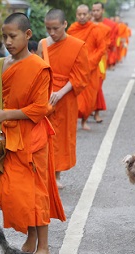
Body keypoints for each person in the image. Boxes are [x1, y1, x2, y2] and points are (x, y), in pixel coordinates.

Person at [0, 12, 66, 254]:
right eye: (4, 37)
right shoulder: (2, 64)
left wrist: (5, 114)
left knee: (37, 191)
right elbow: (2, 99)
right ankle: (30, 237)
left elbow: (40, 108)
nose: (8, 41)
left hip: (33, 136)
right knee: (12, 192)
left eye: (13, 36)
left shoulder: (39, 67)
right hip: (9, 135)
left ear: (28, 35)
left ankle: (43, 246)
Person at [37, 8, 89, 189]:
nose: (52, 33)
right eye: (48, 28)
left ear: (65, 24)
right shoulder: (43, 44)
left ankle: (56, 175)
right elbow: (37, 70)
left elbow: (80, 76)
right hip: (45, 96)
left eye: (56, 28)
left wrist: (60, 92)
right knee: (41, 134)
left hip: (65, 98)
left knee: (60, 137)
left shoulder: (78, 45)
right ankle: (42, 173)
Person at [67, 4, 107, 130]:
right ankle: (72, 121)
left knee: (89, 98)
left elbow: (102, 48)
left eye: (84, 14)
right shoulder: (72, 30)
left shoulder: (95, 30)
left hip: (91, 68)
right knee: (73, 97)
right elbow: (67, 46)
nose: (82, 17)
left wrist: (90, 62)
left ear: (89, 15)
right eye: (79, 14)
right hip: (75, 69)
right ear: (76, 15)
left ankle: (84, 120)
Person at [91, 2, 113, 124]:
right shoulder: (87, 26)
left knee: (97, 85)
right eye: (93, 10)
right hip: (87, 59)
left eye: (98, 10)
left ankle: (97, 112)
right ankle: (88, 109)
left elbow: (107, 44)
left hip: (99, 61)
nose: (95, 13)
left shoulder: (106, 28)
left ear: (102, 11)